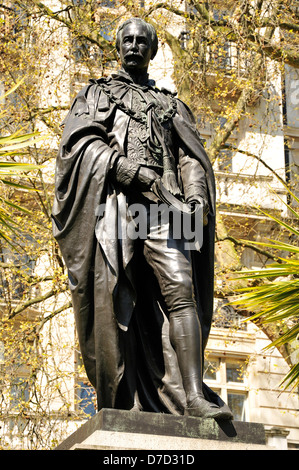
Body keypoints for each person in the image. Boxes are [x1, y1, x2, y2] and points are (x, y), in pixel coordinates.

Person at [52, 18, 233, 420]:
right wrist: (128, 170)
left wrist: (198, 197)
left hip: (166, 210)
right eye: (127, 40)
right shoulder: (97, 95)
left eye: (141, 41)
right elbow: (79, 145)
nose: (133, 46)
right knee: (115, 297)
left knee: (182, 289)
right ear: (119, 47)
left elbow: (190, 158)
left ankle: (193, 398)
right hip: (116, 209)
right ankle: (121, 398)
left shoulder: (171, 104)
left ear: (152, 50)